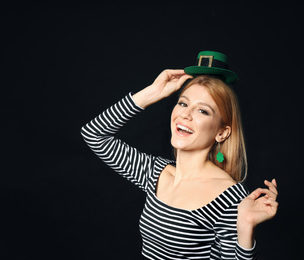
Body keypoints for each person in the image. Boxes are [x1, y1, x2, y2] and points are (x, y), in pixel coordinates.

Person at [81, 51, 278, 259]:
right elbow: (94, 134)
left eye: (202, 111)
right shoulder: (155, 172)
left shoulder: (229, 198)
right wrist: (153, 92)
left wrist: (245, 227)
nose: (185, 114)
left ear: (222, 132)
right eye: (183, 103)